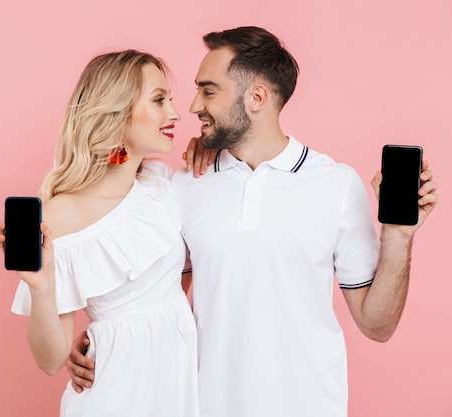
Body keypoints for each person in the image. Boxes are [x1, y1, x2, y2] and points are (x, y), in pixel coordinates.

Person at [65, 27, 439, 417]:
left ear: (256, 97)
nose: (193, 106)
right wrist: (104, 338)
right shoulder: (183, 184)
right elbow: (158, 294)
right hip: (204, 406)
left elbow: (377, 325)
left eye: (208, 91)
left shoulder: (336, 185)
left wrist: (399, 235)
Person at [0, 50, 200, 417]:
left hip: (178, 381)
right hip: (114, 391)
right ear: (117, 111)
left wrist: (209, 147)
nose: (174, 112)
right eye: (159, 100)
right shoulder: (61, 216)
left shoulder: (161, 184)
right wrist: (41, 287)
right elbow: (50, 360)